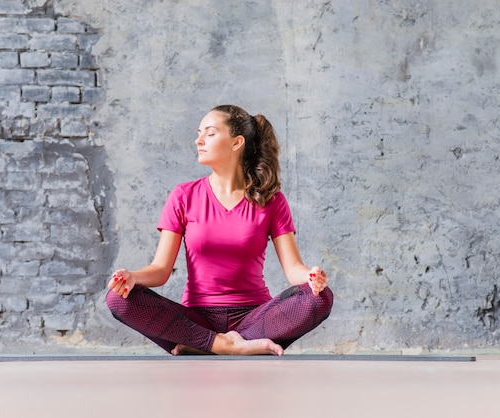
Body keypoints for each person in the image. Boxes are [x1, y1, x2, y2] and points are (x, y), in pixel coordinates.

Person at [106, 104, 333, 356]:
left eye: (210, 133)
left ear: (237, 143)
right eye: (199, 133)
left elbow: (293, 270)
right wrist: (133, 277)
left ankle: (212, 344)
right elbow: (160, 270)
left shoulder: (271, 200)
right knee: (118, 298)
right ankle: (226, 345)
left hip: (255, 319)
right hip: (196, 319)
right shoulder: (184, 195)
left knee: (321, 298)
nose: (198, 140)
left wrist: (312, 278)